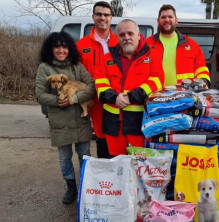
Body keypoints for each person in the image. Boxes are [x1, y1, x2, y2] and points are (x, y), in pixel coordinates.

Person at [35, 31, 95, 204]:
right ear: (50, 49)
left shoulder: (77, 66)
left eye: (64, 47)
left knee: (85, 155)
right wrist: (57, 100)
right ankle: (71, 188)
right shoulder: (44, 68)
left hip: (80, 119)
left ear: (69, 49)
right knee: (64, 157)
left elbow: (91, 86)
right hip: (59, 121)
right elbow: (40, 95)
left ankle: (87, 186)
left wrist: (74, 99)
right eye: (57, 47)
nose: (61, 50)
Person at [95, 19, 164, 156]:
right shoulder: (106, 58)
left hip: (139, 122)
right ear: (117, 37)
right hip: (113, 122)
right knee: (115, 162)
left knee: (140, 161)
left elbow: (157, 81)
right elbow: (100, 83)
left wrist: (132, 96)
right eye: (122, 35)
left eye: (130, 33)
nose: (126, 38)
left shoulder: (152, 56)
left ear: (138, 35)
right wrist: (115, 98)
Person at [76, 1, 117, 159]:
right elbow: (75, 73)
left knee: (116, 137)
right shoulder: (81, 45)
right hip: (94, 100)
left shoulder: (119, 42)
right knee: (100, 137)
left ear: (111, 18)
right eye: (99, 14)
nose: (102, 18)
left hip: (115, 98)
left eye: (106, 15)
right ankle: (103, 172)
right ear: (93, 17)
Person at [146, 4, 211, 88]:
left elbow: (201, 68)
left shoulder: (191, 44)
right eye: (163, 17)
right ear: (158, 21)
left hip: (184, 94)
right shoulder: (147, 44)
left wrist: (203, 82)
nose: (167, 20)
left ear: (176, 20)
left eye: (170, 17)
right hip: (154, 93)